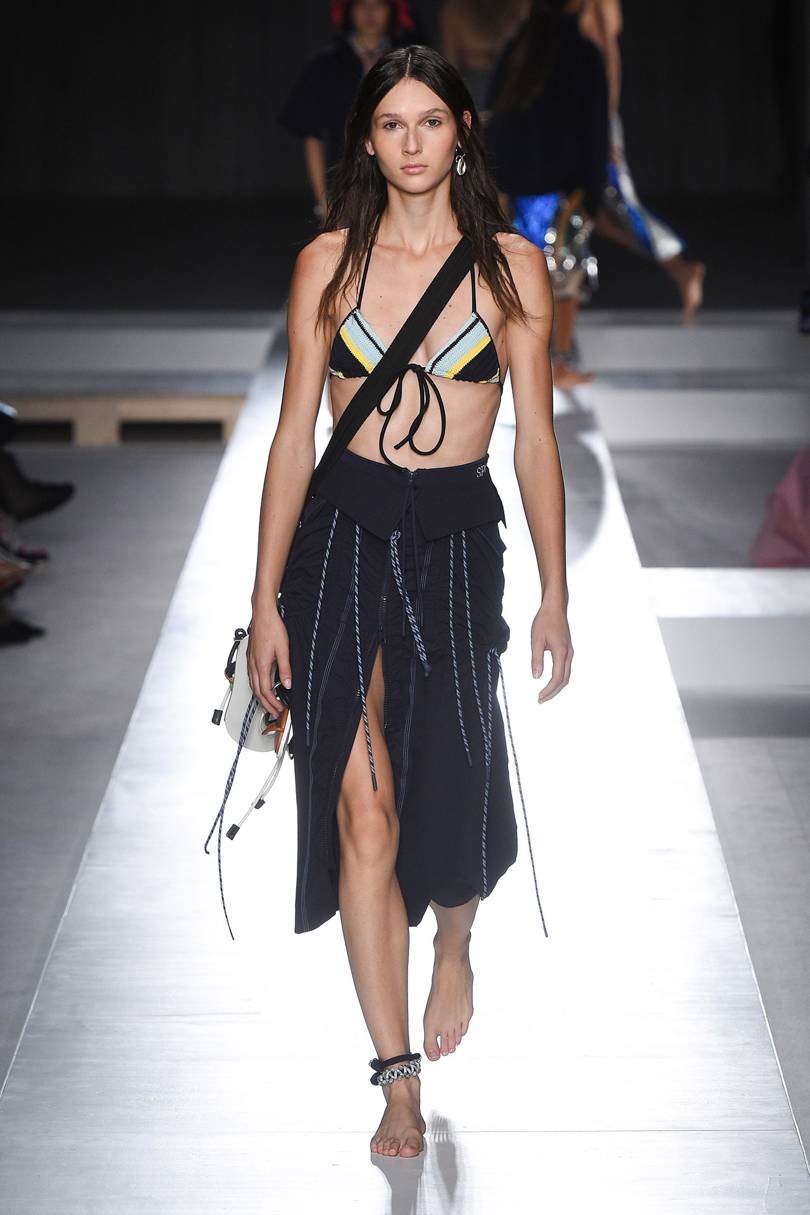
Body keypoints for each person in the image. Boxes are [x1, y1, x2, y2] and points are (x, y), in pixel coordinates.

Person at [249, 44, 573, 1158]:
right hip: (340, 544)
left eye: (430, 121)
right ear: (368, 141)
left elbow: (535, 443)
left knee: (455, 773)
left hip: (455, 546)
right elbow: (294, 439)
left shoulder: (511, 271)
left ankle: (455, 940)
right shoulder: (327, 267)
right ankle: (395, 1079)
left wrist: (556, 593)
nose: (412, 143)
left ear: (462, 130)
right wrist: (265, 598)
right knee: (366, 813)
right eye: (391, 125)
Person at [485, 0, 608, 389]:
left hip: (514, 186)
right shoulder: (583, 55)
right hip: (562, 188)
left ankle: (510, 363)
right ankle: (558, 362)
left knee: (514, 276)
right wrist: (592, 194)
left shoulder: (516, 49)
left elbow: (493, 117)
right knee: (565, 276)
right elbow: (594, 129)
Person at [577, 0, 706, 321]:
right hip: (570, 112)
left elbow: (609, 57)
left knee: (620, 203)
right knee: (586, 215)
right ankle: (679, 269)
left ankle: (680, 267)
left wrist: (605, 120)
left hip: (592, 115)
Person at [278, 0, 421, 223]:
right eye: (361, 5)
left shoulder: (414, 62)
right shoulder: (326, 65)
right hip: (347, 184)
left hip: (404, 182)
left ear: (392, 10)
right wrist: (323, 203)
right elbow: (312, 135)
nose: (370, 13)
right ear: (348, 11)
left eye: (379, 5)